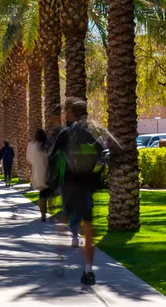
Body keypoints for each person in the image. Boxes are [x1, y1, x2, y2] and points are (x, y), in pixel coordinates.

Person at [51, 97, 112, 287]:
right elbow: (102, 152)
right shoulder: (89, 134)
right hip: (86, 185)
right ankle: (88, 269)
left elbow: (53, 156)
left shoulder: (65, 134)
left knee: (63, 219)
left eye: (67, 111)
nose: (65, 113)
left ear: (72, 113)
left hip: (69, 184)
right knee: (88, 225)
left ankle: (60, 260)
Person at [27, 128, 51, 221]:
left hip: (37, 173)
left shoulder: (32, 146)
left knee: (42, 193)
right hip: (46, 172)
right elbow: (48, 158)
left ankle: (43, 214)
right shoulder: (44, 146)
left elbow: (29, 159)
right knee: (46, 193)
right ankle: (44, 214)